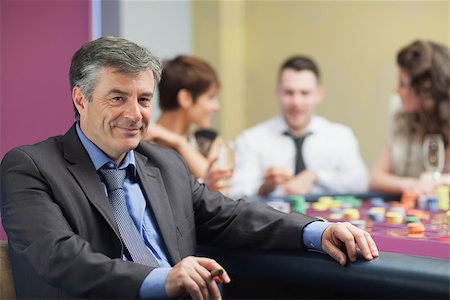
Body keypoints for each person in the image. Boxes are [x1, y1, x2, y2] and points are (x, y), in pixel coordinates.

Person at [1, 37, 378, 300]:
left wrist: (317, 231)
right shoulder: (30, 167)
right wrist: (162, 279)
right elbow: (62, 258)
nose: (135, 114)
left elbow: (231, 216)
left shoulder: (163, 163)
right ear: (80, 99)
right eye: (118, 98)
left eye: (144, 99)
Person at [230, 55, 368, 199]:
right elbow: (236, 192)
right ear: (278, 93)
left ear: (319, 94)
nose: (296, 102)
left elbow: (360, 182)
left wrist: (314, 176)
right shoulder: (251, 139)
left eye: (305, 93)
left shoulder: (341, 136)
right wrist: (264, 188)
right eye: (289, 93)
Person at [369, 40, 450, 195]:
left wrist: (442, 181)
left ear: (425, 90)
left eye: (402, 83)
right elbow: (375, 178)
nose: (396, 90)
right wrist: (412, 184)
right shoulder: (402, 117)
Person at [145, 55, 232, 194]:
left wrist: (180, 143)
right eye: (211, 97)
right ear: (185, 98)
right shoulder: (143, 143)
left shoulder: (209, 141)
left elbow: (220, 193)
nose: (216, 106)